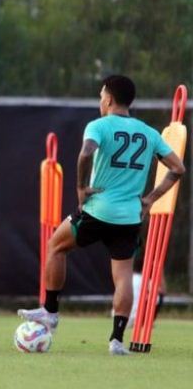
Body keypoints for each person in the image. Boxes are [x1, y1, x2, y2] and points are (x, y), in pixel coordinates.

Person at [18, 75, 185, 355]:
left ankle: (51, 312)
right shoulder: (149, 132)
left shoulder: (98, 126)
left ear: (108, 98)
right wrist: (150, 199)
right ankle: (117, 341)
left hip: (98, 209)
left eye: (100, 96)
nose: (100, 101)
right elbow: (178, 168)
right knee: (122, 276)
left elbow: (86, 154)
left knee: (56, 246)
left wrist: (81, 188)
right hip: (130, 216)